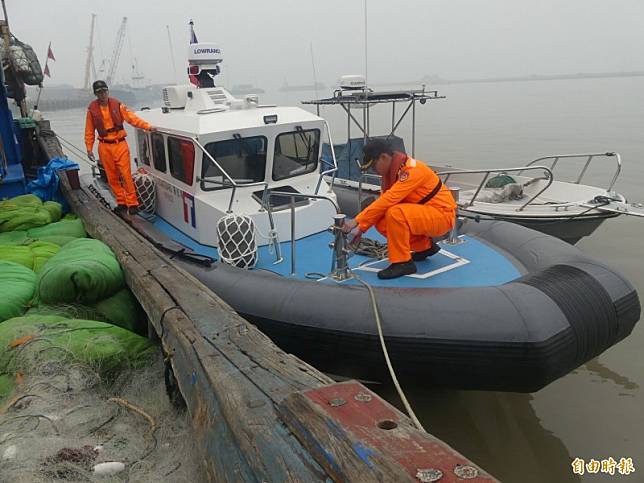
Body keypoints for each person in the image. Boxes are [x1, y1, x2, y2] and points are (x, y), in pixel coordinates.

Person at [342, 139, 457, 279]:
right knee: (382, 221)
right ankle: (424, 247)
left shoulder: (411, 171)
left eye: (373, 166)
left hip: (442, 216)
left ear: (384, 157)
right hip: (426, 213)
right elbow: (382, 204)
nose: (374, 171)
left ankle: (402, 263)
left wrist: (356, 221)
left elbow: (388, 200)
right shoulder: (393, 174)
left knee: (396, 213)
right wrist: (361, 227)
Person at [84, 80, 155, 215]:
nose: (103, 94)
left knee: (126, 175)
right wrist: (89, 148)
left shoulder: (118, 105)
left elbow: (132, 119)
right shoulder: (91, 110)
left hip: (120, 144)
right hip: (104, 146)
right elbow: (89, 131)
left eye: (104, 91)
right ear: (95, 94)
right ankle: (121, 201)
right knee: (112, 177)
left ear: (108, 91)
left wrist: (147, 127)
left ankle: (132, 203)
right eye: (99, 92)